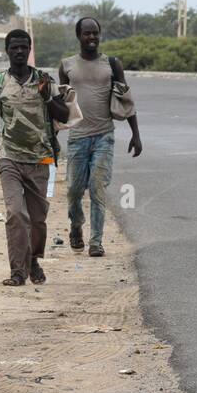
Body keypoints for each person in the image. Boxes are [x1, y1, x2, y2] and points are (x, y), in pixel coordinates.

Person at [0, 28, 79, 285]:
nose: (19, 51)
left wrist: (48, 97)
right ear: (7, 50)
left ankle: (33, 259)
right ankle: (17, 272)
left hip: (42, 160)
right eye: (14, 47)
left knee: (37, 220)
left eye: (24, 47)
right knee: (16, 214)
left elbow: (64, 116)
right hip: (10, 158)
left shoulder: (45, 80)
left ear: (29, 50)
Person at [58, 17, 143, 258]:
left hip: (104, 136)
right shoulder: (66, 66)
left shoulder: (112, 65)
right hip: (77, 138)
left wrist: (136, 134)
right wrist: (51, 135)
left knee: (98, 188)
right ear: (79, 36)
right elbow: (61, 106)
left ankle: (96, 242)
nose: (92, 38)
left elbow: (126, 100)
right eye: (87, 34)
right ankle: (76, 226)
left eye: (95, 33)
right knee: (74, 190)